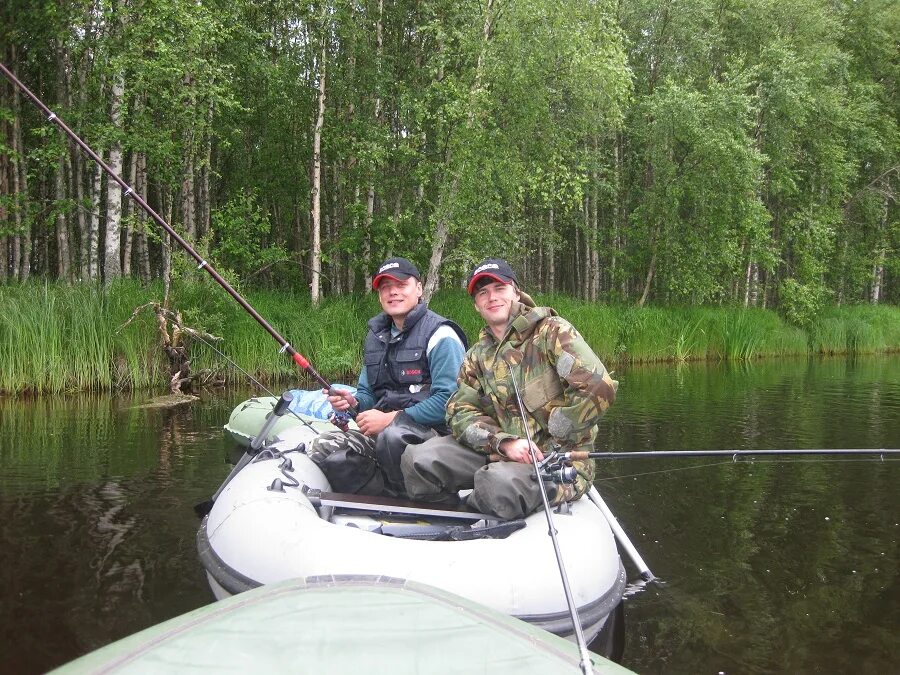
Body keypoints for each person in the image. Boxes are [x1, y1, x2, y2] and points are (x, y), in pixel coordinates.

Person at [401, 258, 618, 520]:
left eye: (499, 288)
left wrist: (551, 443)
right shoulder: (476, 356)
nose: (491, 297)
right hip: (499, 453)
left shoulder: (552, 332)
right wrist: (505, 443)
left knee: (496, 484)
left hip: (556, 462)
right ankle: (445, 522)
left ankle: (484, 515)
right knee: (417, 459)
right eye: (483, 292)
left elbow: (598, 386)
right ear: (477, 305)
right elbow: (459, 412)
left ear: (516, 292)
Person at [309, 257, 467, 496]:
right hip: (386, 433)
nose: (392, 292)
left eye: (401, 285)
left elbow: (450, 402)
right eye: (385, 287)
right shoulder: (376, 337)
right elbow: (368, 395)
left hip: (437, 435)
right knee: (325, 448)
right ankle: (380, 494)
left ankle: (415, 502)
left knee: (394, 436)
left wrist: (392, 419)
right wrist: (353, 402)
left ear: (419, 289)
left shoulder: (441, 335)